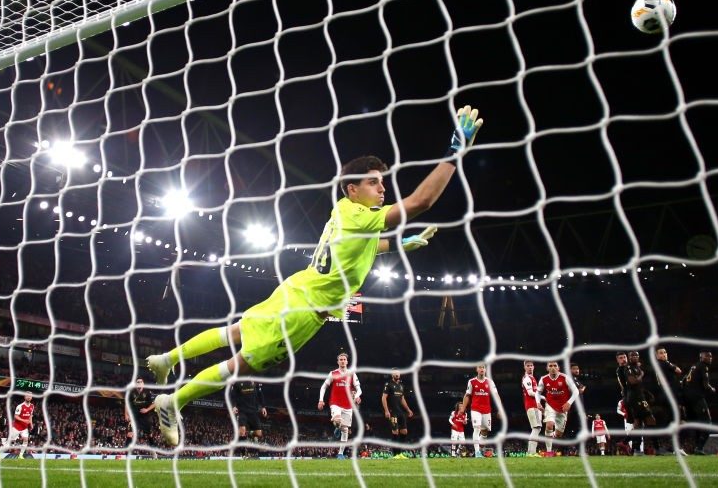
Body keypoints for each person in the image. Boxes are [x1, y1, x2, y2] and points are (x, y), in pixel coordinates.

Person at [145, 106, 484, 445]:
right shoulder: (362, 217)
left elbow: (361, 249)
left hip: (297, 286)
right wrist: (454, 152)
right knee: (242, 365)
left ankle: (166, 359)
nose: (382, 189)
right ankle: (173, 403)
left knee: (236, 330)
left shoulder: (346, 210)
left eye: (382, 182)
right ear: (352, 189)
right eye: (373, 182)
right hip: (304, 311)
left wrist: (397, 246)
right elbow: (421, 201)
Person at [318, 352, 362, 459]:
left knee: (345, 430)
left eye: (344, 359)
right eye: (340, 359)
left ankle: (341, 453)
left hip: (348, 406)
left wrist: (357, 396)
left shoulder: (352, 374)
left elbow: (359, 389)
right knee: (337, 420)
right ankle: (337, 426)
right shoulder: (333, 373)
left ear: (347, 362)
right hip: (335, 403)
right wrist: (321, 400)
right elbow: (323, 387)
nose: (342, 361)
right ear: (338, 361)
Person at [625, 350, 668, 455]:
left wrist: (647, 393)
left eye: (636, 355)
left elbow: (639, 386)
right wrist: (642, 374)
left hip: (638, 397)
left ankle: (633, 448)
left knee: (638, 424)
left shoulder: (636, 367)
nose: (635, 357)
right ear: (629, 358)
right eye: (632, 355)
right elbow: (633, 381)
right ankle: (657, 448)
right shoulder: (629, 368)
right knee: (650, 420)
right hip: (636, 398)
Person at [535, 360, 578, 457]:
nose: (553, 367)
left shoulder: (565, 378)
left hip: (563, 408)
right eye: (550, 366)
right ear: (547, 368)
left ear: (558, 368)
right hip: (550, 405)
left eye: (555, 365)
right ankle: (549, 451)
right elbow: (538, 392)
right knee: (549, 425)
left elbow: (576, 391)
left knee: (559, 434)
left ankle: (552, 436)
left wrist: (569, 402)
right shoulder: (544, 379)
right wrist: (538, 403)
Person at [459, 363, 500, 458]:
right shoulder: (472, 382)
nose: (482, 369)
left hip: (486, 410)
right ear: (476, 369)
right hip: (475, 409)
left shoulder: (490, 382)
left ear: (485, 370)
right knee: (477, 428)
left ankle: (480, 449)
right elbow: (467, 395)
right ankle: (477, 452)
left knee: (484, 432)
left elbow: (496, 395)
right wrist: (463, 408)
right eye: (480, 367)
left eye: (483, 367)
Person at [681, 351, 715, 455]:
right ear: (701, 358)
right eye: (707, 356)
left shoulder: (694, 366)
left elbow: (684, 381)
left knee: (694, 423)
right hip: (696, 398)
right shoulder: (703, 367)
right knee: (707, 422)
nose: (710, 358)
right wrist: (712, 389)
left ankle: (691, 446)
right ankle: (699, 448)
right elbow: (706, 385)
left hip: (687, 399)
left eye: (711, 356)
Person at [654, 348, 685, 454]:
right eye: (661, 353)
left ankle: (668, 446)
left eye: (665, 352)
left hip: (666, 395)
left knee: (670, 420)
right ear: (657, 356)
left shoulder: (661, 365)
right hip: (669, 395)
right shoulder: (664, 363)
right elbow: (679, 371)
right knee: (676, 420)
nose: (664, 355)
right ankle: (672, 446)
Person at [381, 368, 414, 457]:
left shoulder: (401, 386)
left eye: (398, 373)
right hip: (392, 412)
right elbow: (384, 398)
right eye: (395, 373)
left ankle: (400, 453)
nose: (397, 375)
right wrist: (386, 410)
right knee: (395, 432)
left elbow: (402, 399)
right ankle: (396, 454)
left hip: (401, 412)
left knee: (404, 432)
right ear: (392, 375)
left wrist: (408, 410)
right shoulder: (388, 384)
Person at [230, 378, 268, 452]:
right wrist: (233, 406)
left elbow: (260, 394)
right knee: (242, 431)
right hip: (242, 411)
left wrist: (263, 407)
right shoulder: (237, 382)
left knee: (259, 434)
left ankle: (249, 433)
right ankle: (243, 454)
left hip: (253, 411)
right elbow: (232, 395)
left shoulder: (255, 381)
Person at [521, 360, 543, 456]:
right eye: (528, 366)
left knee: (536, 428)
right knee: (536, 428)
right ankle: (532, 452)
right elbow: (530, 393)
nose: (530, 367)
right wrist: (543, 397)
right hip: (531, 405)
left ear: (534, 367)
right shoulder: (527, 378)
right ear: (525, 367)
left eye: (531, 365)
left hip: (534, 405)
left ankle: (530, 452)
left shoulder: (532, 378)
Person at [125, 377, 155, 444]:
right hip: (134, 416)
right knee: (129, 434)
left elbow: (154, 403)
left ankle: (154, 451)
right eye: (138, 382)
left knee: (149, 435)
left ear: (143, 384)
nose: (139, 383)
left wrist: (147, 409)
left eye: (141, 382)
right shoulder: (131, 393)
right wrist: (126, 414)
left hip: (145, 417)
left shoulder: (148, 393)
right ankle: (127, 454)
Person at [4, 393, 35, 459]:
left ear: (31, 398)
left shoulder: (32, 406)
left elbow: (30, 416)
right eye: (27, 396)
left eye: (30, 396)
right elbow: (15, 416)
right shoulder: (20, 406)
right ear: (25, 397)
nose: (29, 397)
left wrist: (31, 424)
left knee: (26, 440)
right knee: (9, 441)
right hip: (17, 427)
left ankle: (21, 455)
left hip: (24, 428)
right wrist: (24, 420)